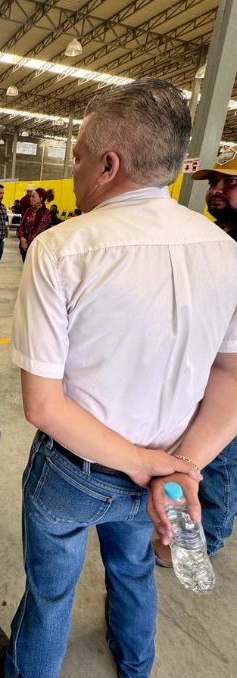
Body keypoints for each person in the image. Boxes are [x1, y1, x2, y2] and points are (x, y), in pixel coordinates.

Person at [0, 78, 237, 678]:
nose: (73, 171)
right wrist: (180, 465)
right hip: (169, 464)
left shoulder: (62, 249)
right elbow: (230, 375)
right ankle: (135, 666)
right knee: (133, 569)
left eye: (77, 158)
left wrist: (138, 462)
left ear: (108, 164)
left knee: (50, 593)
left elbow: (42, 405)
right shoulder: (224, 252)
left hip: (79, 470)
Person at [145, 150, 237, 567]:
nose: (216, 191)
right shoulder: (219, 236)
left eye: (229, 183)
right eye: (214, 182)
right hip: (211, 363)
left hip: (230, 373)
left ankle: (207, 537)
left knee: (221, 463)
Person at [16, 187, 52, 261]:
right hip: (24, 246)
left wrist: (26, 242)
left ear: (41, 199)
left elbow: (39, 230)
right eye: (30, 196)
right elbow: (22, 226)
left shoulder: (46, 213)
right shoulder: (29, 210)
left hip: (37, 248)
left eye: (33, 197)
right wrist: (22, 238)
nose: (30, 198)